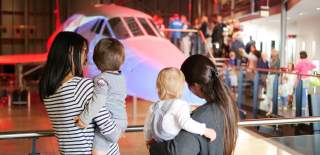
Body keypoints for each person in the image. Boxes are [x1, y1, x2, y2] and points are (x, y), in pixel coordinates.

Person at [39, 32, 122, 154]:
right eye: (83, 51)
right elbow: (110, 132)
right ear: (71, 51)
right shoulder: (81, 86)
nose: (86, 58)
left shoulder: (48, 91)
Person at [149, 54, 239, 155]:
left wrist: (153, 146)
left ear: (195, 86)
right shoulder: (227, 105)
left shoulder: (198, 119)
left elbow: (177, 152)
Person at [75, 38, 127, 155]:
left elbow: (98, 101)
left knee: (97, 151)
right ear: (122, 60)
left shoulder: (101, 80)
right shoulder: (121, 77)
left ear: (96, 62)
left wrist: (84, 118)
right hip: (122, 119)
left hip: (111, 121)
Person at [144, 67, 216, 146]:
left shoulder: (154, 106)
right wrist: (205, 130)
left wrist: (148, 139)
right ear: (181, 88)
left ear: (159, 87)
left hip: (158, 141)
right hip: (173, 142)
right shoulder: (180, 104)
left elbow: (148, 126)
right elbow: (186, 123)